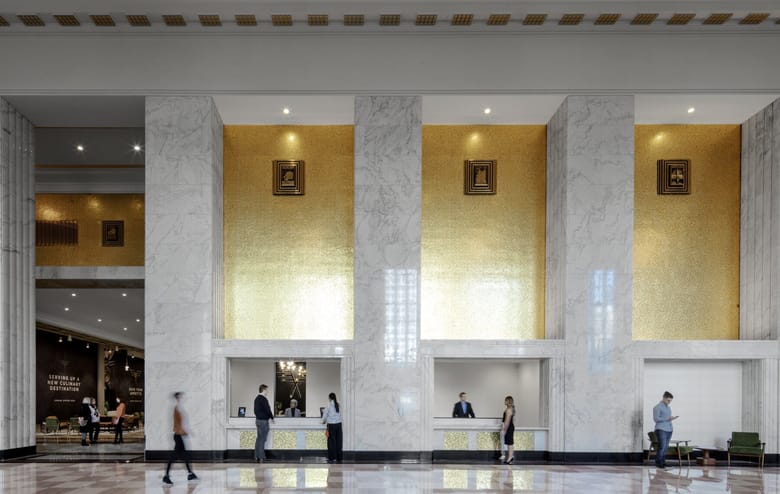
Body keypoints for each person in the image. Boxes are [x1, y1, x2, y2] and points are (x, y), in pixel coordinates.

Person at [162, 392, 198, 486]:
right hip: (178, 435)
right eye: (180, 397)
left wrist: (187, 431)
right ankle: (166, 476)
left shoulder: (179, 407)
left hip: (180, 435)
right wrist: (183, 431)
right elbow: (177, 424)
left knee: (185, 455)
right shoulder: (176, 408)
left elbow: (181, 423)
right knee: (174, 456)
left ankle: (190, 474)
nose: (182, 398)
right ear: (177, 398)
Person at [653, 391, 679, 469]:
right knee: (662, 446)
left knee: (666, 447)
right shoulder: (657, 407)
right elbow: (656, 419)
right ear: (663, 398)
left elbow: (667, 419)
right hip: (661, 429)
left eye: (670, 401)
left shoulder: (668, 408)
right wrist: (667, 418)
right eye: (668, 400)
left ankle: (663, 462)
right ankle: (658, 463)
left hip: (669, 429)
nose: (669, 402)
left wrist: (672, 418)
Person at [254, 384, 274, 462]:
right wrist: (272, 417)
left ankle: (256, 456)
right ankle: (261, 457)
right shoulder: (263, 399)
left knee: (259, 439)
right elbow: (267, 409)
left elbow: (255, 411)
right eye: (267, 390)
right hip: (263, 422)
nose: (267, 392)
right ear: (264, 390)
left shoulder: (256, 399)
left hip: (258, 420)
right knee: (262, 439)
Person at [322, 392, 343, 463]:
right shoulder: (338, 404)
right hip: (339, 425)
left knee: (331, 442)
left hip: (331, 425)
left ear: (330, 398)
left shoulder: (328, 405)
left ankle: (332, 457)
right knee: (338, 441)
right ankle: (339, 458)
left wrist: (323, 421)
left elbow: (325, 415)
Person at [501, 396, 515, 464]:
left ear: (508, 401)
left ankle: (510, 457)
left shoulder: (509, 409)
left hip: (509, 427)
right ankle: (510, 457)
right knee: (510, 443)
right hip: (510, 427)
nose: (504, 401)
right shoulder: (509, 409)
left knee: (510, 443)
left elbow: (507, 421)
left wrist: (505, 430)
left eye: (505, 400)